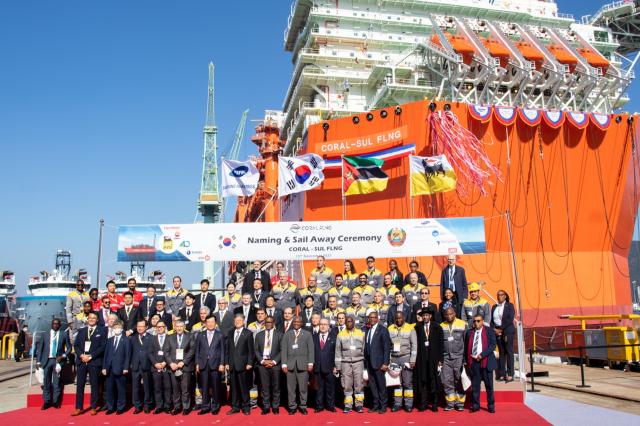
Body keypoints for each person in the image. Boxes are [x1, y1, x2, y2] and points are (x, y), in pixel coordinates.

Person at [72, 312, 106, 416]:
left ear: (97, 320)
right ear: (87, 319)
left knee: (94, 385)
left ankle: (94, 407)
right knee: (80, 385)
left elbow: (102, 347)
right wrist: (81, 355)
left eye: (94, 318)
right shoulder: (82, 331)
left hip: (94, 362)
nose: (91, 319)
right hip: (82, 361)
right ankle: (79, 407)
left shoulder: (102, 330)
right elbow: (76, 345)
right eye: (90, 318)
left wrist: (90, 356)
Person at [281, 315, 314, 415]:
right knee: (291, 388)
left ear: (302, 323)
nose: (296, 323)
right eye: (294, 322)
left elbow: (311, 350)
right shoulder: (287, 334)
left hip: (303, 364)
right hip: (290, 365)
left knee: (303, 388)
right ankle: (292, 406)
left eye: (298, 322)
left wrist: (310, 363)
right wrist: (284, 364)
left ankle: (303, 406)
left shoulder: (307, 334)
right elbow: (284, 350)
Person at [35, 318, 71, 410]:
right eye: (54, 323)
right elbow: (40, 349)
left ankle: (56, 401)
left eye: (57, 324)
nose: (55, 325)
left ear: (60, 325)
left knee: (56, 382)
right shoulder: (45, 334)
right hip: (46, 361)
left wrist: (63, 356)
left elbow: (69, 348)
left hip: (57, 361)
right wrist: (38, 361)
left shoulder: (63, 334)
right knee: (46, 382)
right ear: (51, 324)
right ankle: (46, 401)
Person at [466, 313, 497, 413]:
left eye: (478, 321)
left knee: (489, 386)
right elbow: (466, 347)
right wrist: (467, 361)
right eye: (474, 321)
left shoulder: (489, 331)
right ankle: (476, 405)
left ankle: (491, 405)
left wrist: (482, 355)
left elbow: (492, 345)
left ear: (483, 321)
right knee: (475, 386)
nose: (476, 323)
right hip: (474, 362)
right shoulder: (469, 332)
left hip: (486, 361)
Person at [414, 307, 444, 412]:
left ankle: (434, 404)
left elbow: (441, 344)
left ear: (430, 316)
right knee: (423, 381)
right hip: (421, 359)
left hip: (434, 359)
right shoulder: (417, 327)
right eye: (423, 315)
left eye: (427, 315)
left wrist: (440, 359)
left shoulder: (437, 327)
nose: (425, 317)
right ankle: (423, 403)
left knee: (433, 381)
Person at [195, 315, 226, 415]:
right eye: (208, 322)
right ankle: (205, 406)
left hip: (216, 364)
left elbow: (223, 351)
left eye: (212, 322)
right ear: (205, 323)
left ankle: (215, 406)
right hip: (203, 364)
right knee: (204, 387)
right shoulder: (200, 335)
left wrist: (222, 363)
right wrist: (197, 363)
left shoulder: (220, 335)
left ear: (215, 323)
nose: (210, 324)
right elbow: (197, 350)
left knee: (215, 386)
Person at [334, 316, 365, 413]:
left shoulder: (360, 333)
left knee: (359, 384)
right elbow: (338, 351)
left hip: (358, 362)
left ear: (354, 322)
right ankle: (348, 405)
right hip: (345, 363)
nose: (349, 323)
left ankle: (359, 405)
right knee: (346, 384)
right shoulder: (340, 334)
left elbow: (364, 348)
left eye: (350, 321)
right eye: (347, 322)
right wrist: (338, 366)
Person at [387, 311, 417, 412]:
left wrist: (412, 359)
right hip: (394, 358)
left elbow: (414, 345)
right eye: (396, 318)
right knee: (397, 383)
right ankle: (397, 403)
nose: (398, 320)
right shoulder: (390, 328)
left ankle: (408, 404)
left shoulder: (410, 328)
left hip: (406, 358)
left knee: (407, 382)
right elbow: (388, 345)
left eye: (400, 318)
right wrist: (389, 360)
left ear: (403, 318)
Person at [226, 315, 254, 415]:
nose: (237, 322)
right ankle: (235, 407)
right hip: (232, 364)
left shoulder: (248, 333)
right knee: (234, 388)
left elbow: (251, 350)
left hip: (243, 365)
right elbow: (228, 349)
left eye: (239, 320)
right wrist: (227, 362)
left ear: (243, 321)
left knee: (244, 387)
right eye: (236, 320)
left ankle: (246, 407)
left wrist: (250, 363)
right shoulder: (230, 332)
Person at [254, 315, 283, 414]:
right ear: (264, 323)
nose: (268, 324)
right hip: (262, 364)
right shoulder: (259, 335)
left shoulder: (280, 334)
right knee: (264, 387)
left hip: (275, 364)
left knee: (276, 386)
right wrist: (262, 361)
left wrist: (274, 361)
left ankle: (275, 406)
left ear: (273, 323)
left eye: (270, 322)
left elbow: (282, 350)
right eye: (267, 322)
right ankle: (266, 406)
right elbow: (256, 350)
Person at [441, 307, 467, 411]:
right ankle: (450, 403)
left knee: (459, 379)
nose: (449, 316)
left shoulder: (463, 324)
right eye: (447, 314)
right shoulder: (441, 326)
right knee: (447, 380)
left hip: (459, 357)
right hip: (446, 358)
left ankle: (460, 403)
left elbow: (466, 341)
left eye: (451, 314)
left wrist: (465, 358)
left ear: (455, 314)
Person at [102, 320, 131, 415]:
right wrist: (104, 367)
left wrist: (126, 367)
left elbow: (127, 355)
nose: (117, 329)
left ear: (122, 328)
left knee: (121, 389)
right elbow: (106, 355)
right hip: (109, 368)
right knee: (109, 389)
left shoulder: (126, 339)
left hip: (120, 368)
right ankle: (110, 407)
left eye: (118, 327)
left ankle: (120, 407)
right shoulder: (110, 340)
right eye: (115, 327)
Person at [364, 311, 391, 413]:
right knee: (373, 385)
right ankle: (375, 405)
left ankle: (383, 406)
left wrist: (385, 363)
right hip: (369, 363)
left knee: (381, 386)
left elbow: (386, 348)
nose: (372, 319)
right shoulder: (368, 330)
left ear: (377, 319)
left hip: (379, 364)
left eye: (374, 317)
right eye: (370, 317)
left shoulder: (383, 330)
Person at [168, 320, 195, 415]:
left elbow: (192, 350)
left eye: (181, 326)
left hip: (185, 366)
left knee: (185, 389)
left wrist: (183, 362)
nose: (179, 328)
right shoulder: (169, 337)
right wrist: (171, 363)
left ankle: (186, 407)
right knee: (175, 389)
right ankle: (177, 407)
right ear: (175, 327)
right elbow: (166, 352)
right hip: (173, 366)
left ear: (184, 327)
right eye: (177, 326)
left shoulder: (190, 336)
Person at [491, 290, 515, 382]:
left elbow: (510, 318)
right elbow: (491, 320)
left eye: (501, 295)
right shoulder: (494, 307)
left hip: (507, 330)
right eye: (498, 295)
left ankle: (510, 373)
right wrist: (495, 329)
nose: (499, 296)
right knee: (501, 352)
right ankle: (502, 373)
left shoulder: (510, 306)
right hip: (497, 331)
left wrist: (501, 328)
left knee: (509, 351)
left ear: (505, 296)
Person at [149, 320, 172, 414]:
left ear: (165, 327)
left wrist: (165, 362)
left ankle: (167, 406)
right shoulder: (152, 339)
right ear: (155, 328)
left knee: (167, 387)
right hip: (156, 367)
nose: (160, 328)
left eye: (162, 326)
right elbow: (150, 353)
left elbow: (172, 352)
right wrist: (155, 364)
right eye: (158, 327)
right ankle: (159, 406)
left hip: (167, 366)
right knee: (157, 388)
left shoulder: (170, 338)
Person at [313, 318, 336, 412]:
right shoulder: (313, 337)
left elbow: (336, 353)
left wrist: (335, 366)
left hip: (330, 367)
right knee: (319, 388)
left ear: (328, 326)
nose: (323, 326)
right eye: (321, 324)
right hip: (317, 366)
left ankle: (330, 406)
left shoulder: (334, 337)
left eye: (325, 324)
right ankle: (319, 406)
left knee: (330, 388)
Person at [130, 319, 153, 414]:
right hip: (135, 366)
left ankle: (147, 405)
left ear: (146, 327)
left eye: (142, 326)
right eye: (138, 326)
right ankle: (137, 406)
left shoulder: (151, 338)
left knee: (147, 387)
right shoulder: (133, 338)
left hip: (146, 365)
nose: (139, 328)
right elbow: (130, 352)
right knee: (135, 387)